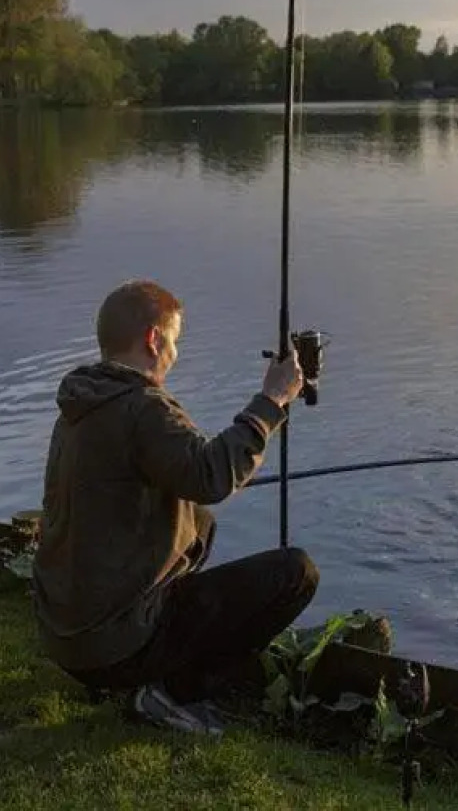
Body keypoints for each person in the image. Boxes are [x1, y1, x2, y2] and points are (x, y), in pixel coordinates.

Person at [30, 279, 317, 734]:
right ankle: (172, 694)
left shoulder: (80, 405)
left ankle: (147, 662)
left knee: (196, 522)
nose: (176, 354)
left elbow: (189, 485)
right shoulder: (143, 408)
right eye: (175, 341)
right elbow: (212, 476)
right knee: (296, 572)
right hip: (112, 647)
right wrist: (272, 401)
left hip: (66, 636)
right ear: (153, 339)